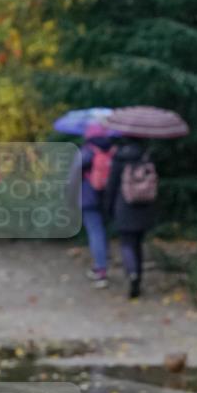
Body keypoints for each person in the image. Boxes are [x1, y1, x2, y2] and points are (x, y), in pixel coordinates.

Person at [104, 138, 158, 299]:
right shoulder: (146, 157)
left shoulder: (119, 159)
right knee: (138, 244)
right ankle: (138, 278)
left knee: (126, 243)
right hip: (144, 207)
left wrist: (108, 208)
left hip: (124, 206)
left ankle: (132, 273)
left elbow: (111, 186)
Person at [69, 122, 115, 288]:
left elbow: (73, 177)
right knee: (102, 230)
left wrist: (70, 197)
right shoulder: (110, 151)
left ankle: (101, 270)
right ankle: (102, 263)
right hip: (107, 197)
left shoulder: (86, 152)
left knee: (95, 232)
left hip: (88, 197)